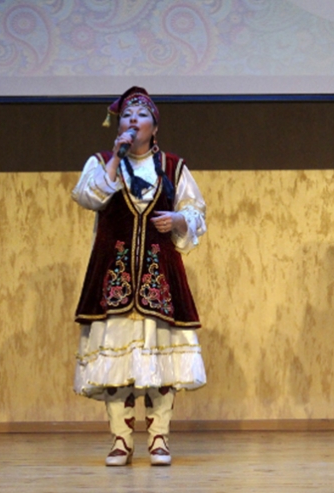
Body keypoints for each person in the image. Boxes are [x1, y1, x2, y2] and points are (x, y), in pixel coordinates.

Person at [70, 87, 207, 467]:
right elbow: (88, 197)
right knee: (118, 364)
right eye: (127, 115)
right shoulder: (102, 162)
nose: (133, 120)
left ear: (154, 126)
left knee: (162, 360)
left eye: (141, 115)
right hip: (112, 276)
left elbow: (196, 212)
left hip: (159, 277)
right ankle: (121, 440)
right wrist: (116, 157)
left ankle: (159, 438)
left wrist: (178, 219)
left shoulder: (172, 166)